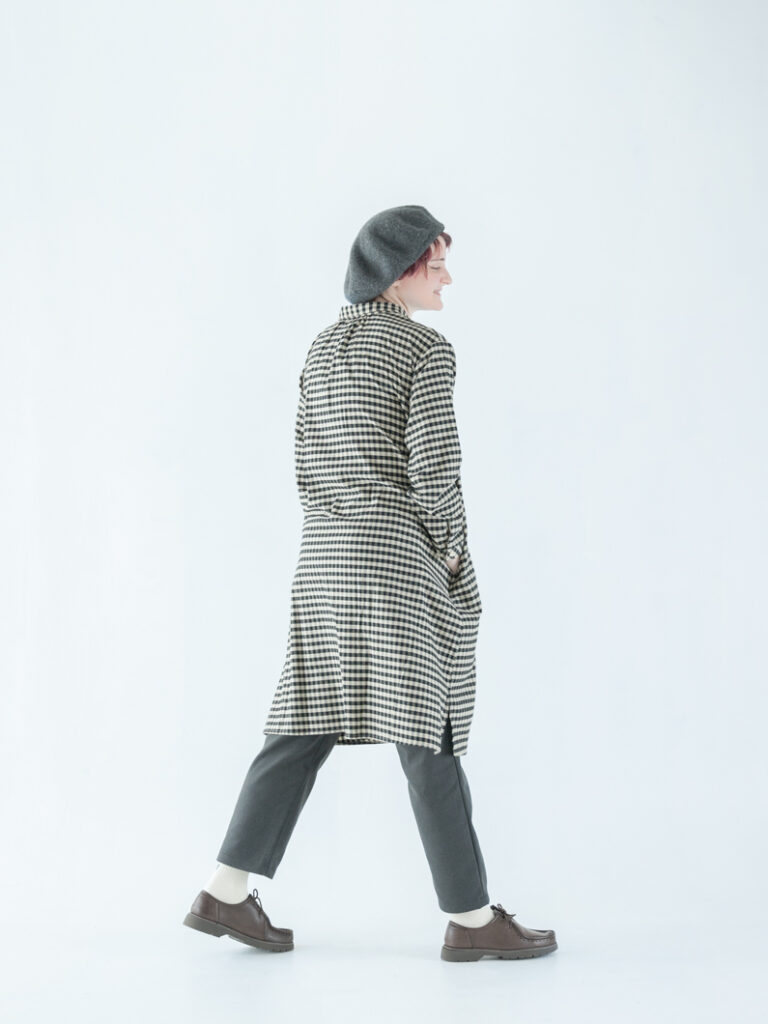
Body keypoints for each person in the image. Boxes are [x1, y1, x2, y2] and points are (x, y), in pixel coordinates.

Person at [182, 205, 558, 961]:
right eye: (436, 264)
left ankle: (224, 891)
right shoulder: (424, 349)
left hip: (324, 557)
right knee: (428, 729)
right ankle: (472, 919)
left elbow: (303, 458)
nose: (447, 277)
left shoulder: (322, 347)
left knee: (302, 723)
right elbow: (436, 467)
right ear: (398, 272)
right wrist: (452, 553)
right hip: (395, 562)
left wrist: (337, 527)